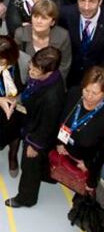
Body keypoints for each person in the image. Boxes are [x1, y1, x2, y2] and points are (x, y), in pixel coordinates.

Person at [5, 47, 65, 208]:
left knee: (29, 166)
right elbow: (29, 89)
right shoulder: (44, 78)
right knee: (42, 163)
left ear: (49, 72)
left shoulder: (53, 97)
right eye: (31, 66)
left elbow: (47, 126)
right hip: (32, 120)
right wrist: (18, 99)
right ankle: (47, 176)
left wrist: (34, 145)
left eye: (35, 70)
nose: (30, 71)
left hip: (37, 134)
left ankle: (26, 198)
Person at [55, 66, 104, 190]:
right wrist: (59, 142)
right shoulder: (74, 93)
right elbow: (61, 118)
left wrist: (89, 164)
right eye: (86, 90)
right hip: (64, 151)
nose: (88, 96)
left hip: (84, 162)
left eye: (95, 93)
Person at [14, 0, 72, 81]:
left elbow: (64, 66)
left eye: (44, 18)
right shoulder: (20, 34)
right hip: (27, 81)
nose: (38, 21)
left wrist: (48, 82)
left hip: (51, 83)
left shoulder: (62, 36)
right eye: (35, 16)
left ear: (52, 22)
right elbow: (16, 63)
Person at [0, 35, 28, 178]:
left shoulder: (25, 61)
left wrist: (17, 100)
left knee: (14, 132)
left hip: (16, 108)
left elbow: (31, 89)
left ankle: (12, 156)